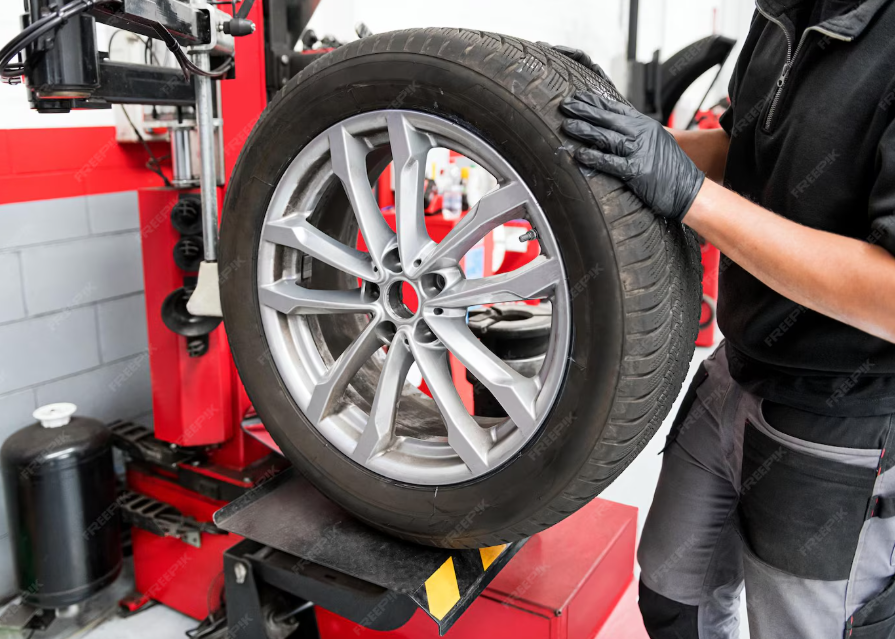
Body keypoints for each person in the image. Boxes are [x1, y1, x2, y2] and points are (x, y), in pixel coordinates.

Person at [559, 1, 895, 637]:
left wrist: (692, 198)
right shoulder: (782, 12)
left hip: (838, 419)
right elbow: (739, 147)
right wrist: (618, 144)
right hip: (734, 372)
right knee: (672, 599)